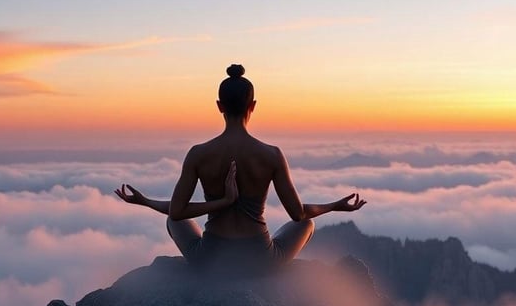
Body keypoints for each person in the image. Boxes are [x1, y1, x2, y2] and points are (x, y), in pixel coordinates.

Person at [115, 64, 366, 273]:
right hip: (261, 261)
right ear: (253, 105)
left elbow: (178, 212)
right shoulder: (271, 155)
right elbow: (298, 214)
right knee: (307, 225)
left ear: (219, 106)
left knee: (173, 219)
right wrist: (335, 205)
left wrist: (147, 201)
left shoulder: (199, 154)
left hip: (210, 260)